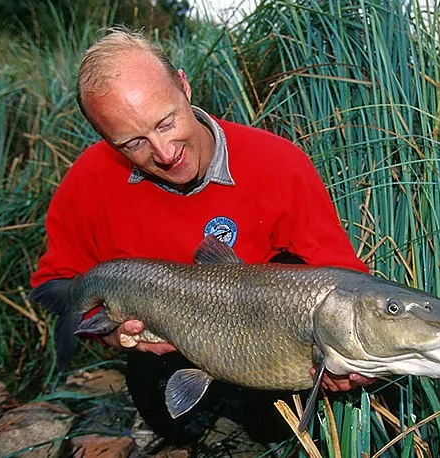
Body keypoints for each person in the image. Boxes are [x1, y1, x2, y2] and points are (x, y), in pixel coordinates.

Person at [30, 27, 373, 446]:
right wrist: (110, 333)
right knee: (175, 426)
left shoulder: (279, 163)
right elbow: (56, 283)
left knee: (281, 427)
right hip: (167, 355)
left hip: (272, 348)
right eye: (133, 142)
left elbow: (347, 286)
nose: (164, 151)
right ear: (107, 142)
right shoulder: (89, 180)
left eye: (167, 121)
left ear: (184, 85)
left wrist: (347, 359)